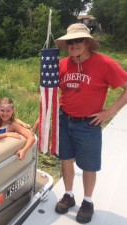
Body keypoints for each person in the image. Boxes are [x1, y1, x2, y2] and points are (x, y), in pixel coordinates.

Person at [53, 23, 127, 223]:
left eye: (78, 40)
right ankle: (68, 195)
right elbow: (52, 92)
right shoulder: (62, 65)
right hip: (64, 119)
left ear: (87, 42)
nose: (74, 44)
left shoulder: (104, 63)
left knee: (89, 165)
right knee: (65, 159)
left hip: (88, 124)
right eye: (70, 41)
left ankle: (87, 202)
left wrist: (109, 112)